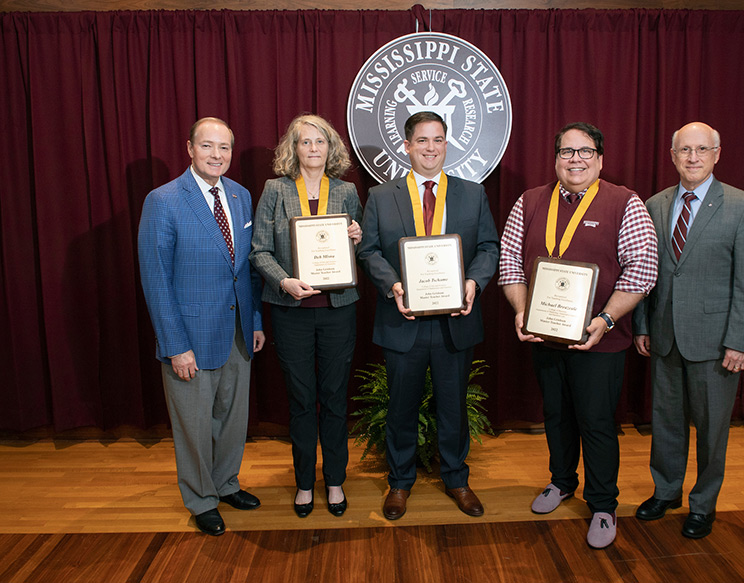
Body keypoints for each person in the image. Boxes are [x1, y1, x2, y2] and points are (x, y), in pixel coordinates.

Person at [498, 122, 657, 549]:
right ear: (556, 159)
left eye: (585, 152)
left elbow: (642, 271)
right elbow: (510, 261)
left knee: (598, 422)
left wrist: (604, 319)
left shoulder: (625, 202)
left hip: (600, 340)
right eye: (567, 152)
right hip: (545, 336)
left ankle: (603, 503)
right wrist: (521, 310)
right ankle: (561, 482)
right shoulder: (530, 201)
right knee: (556, 414)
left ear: (600, 159)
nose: (575, 160)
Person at [358, 111, 499, 520]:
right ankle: (400, 483)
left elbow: (489, 248)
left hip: (457, 320)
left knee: (453, 407)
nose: (431, 148)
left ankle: (456, 478)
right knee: (401, 407)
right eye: (422, 141)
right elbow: (368, 251)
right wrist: (392, 285)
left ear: (447, 144)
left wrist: (473, 282)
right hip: (403, 320)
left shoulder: (473, 194)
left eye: (438, 140)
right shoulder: (383, 197)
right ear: (407, 146)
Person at [632, 122, 744, 539]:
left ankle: (703, 503)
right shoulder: (655, 205)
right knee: (666, 421)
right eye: (684, 150)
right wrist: (642, 324)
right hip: (664, 335)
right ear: (672, 156)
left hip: (716, 343)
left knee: (712, 429)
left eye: (701, 150)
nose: (693, 157)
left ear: (717, 154)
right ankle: (667, 490)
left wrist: (740, 341)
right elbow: (645, 272)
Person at [138, 117, 265, 536]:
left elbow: (247, 268)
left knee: (232, 418)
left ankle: (226, 483)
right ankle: (200, 498)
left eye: (224, 147)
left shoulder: (242, 196)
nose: (217, 155)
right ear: (189, 148)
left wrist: (256, 320)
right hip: (190, 337)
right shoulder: (164, 200)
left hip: (238, 331)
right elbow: (156, 279)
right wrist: (175, 345)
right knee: (193, 424)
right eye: (208, 146)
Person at [250, 114, 362, 518]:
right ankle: (302, 483)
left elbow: (360, 245)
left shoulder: (347, 191)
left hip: (337, 311)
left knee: (334, 400)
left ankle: (334, 481)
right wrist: (284, 282)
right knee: (301, 401)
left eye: (320, 142)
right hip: (292, 311)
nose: (313, 149)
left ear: (330, 148)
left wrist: (358, 235)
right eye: (305, 142)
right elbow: (259, 250)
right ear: (292, 149)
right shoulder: (275, 190)